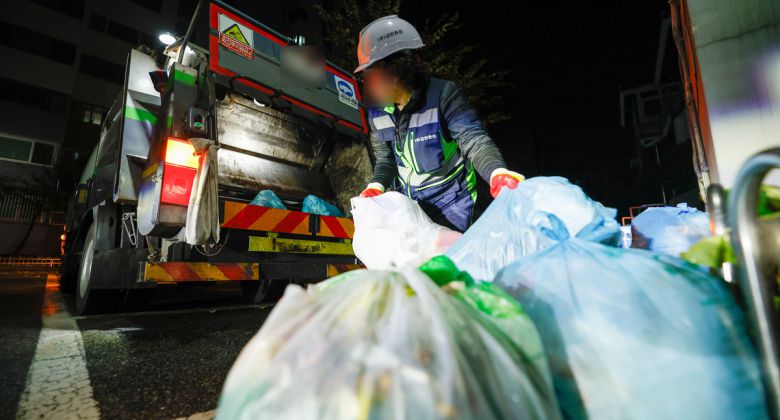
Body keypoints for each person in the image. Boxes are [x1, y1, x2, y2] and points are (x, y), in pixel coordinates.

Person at [354, 15, 525, 232]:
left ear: (397, 68)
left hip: (453, 200)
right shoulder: (377, 112)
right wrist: (375, 187)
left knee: (449, 259)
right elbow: (385, 159)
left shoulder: (443, 95)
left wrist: (497, 173)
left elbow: (474, 140)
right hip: (412, 201)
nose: (369, 83)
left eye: (372, 73)